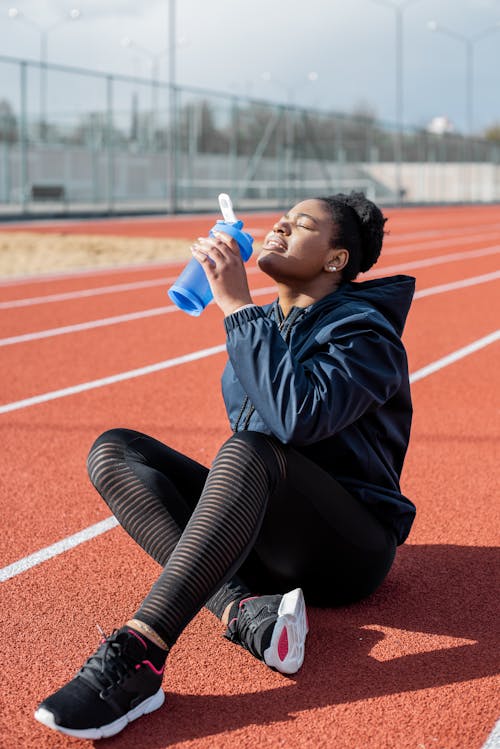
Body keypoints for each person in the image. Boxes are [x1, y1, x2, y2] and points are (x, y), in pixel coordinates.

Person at [34, 192, 416, 740]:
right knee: (115, 449)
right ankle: (242, 610)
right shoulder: (267, 324)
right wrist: (248, 318)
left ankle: (140, 655)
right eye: (280, 220)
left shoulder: (366, 332)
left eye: (301, 225)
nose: (279, 228)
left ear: (336, 260)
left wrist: (237, 309)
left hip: (347, 551)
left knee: (242, 450)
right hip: (264, 541)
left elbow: (297, 420)